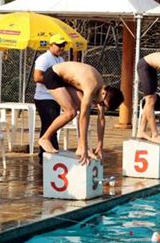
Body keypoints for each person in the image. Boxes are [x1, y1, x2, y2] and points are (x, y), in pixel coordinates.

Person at [37, 61, 124, 165]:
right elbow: (83, 117)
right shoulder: (91, 87)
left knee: (81, 110)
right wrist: (85, 146)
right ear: (104, 93)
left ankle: (80, 147)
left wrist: (100, 145)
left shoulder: (102, 92)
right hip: (53, 75)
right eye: (102, 103)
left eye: (104, 106)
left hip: (66, 80)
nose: (100, 105)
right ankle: (45, 138)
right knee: (71, 112)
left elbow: (101, 119)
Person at [33, 34, 66, 164]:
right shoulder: (44, 59)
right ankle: (49, 153)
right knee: (49, 124)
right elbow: (37, 77)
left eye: (63, 46)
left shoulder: (61, 60)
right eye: (58, 45)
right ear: (51, 45)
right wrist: (54, 81)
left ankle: (45, 153)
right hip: (44, 97)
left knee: (52, 125)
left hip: (56, 97)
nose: (61, 48)